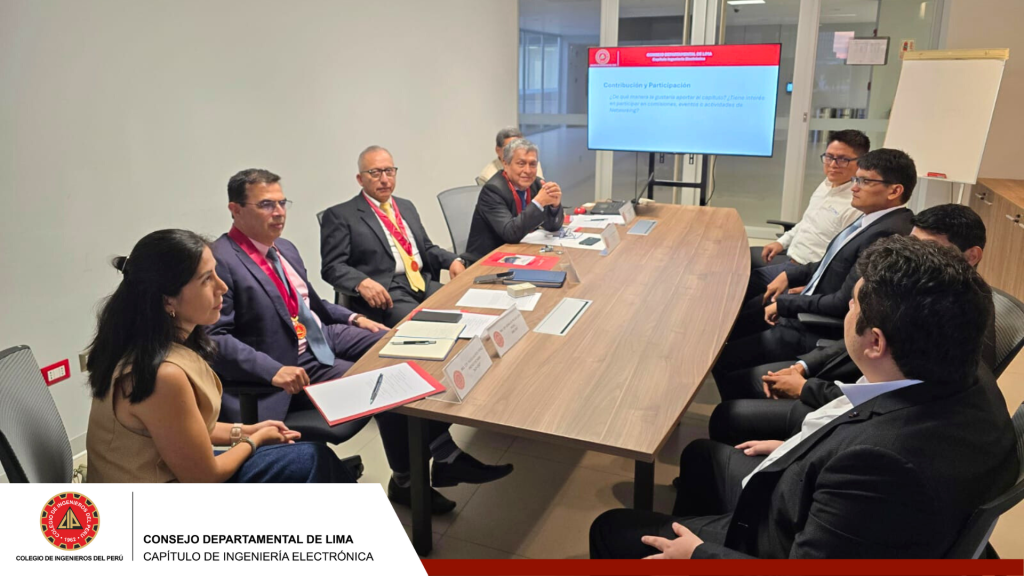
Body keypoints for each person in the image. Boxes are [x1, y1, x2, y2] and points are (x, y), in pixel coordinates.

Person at [591, 235, 1018, 559]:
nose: (847, 312)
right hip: (807, 498)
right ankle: (706, 523)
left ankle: (707, 535)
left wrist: (699, 555)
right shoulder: (966, 369)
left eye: (852, 306)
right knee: (703, 456)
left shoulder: (881, 466)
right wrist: (802, 448)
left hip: (779, 537)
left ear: (875, 342)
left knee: (612, 529)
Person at [209, 168, 511, 513]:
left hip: (323, 336)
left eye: (282, 203)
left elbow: (313, 305)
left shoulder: (284, 249)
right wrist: (273, 370)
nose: (279, 213)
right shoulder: (221, 259)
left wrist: (354, 318)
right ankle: (413, 477)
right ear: (235, 209)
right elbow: (215, 336)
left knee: (411, 347)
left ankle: (440, 456)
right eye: (266, 205)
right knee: (389, 384)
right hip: (287, 362)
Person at [709, 203, 995, 446]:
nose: (914, 254)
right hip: (844, 395)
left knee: (729, 409)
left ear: (971, 256)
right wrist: (803, 367)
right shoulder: (918, 290)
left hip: (855, 416)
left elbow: (894, 398)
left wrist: (806, 389)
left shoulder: (953, 313)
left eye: (928, 247)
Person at [85, 229, 355, 483]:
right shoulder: (163, 374)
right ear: (168, 300)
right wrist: (255, 440)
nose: (222, 287)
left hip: (174, 473)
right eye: (206, 279)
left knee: (312, 458)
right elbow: (205, 477)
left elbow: (184, 430)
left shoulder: (150, 345)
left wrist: (247, 430)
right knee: (313, 459)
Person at [713, 149, 916, 401]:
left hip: (813, 326)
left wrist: (785, 304)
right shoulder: (871, 222)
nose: (854, 187)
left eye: (865, 181)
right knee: (733, 325)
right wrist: (790, 276)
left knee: (724, 358)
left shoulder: (886, 235)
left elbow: (843, 302)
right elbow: (829, 265)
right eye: (856, 179)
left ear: (894, 191)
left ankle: (739, 411)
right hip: (805, 308)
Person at [321, 146, 467, 328]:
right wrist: (361, 282)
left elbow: (426, 248)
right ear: (360, 179)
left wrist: (453, 260)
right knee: (429, 327)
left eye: (389, 171)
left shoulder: (406, 206)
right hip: (387, 292)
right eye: (375, 173)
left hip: (422, 282)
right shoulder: (341, 215)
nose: (384, 179)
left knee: (467, 308)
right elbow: (332, 267)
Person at [748, 130, 868, 299]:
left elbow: (842, 261)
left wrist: (814, 285)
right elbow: (806, 222)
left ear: (860, 162)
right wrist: (781, 242)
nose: (833, 164)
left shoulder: (855, 204)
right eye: (829, 157)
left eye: (843, 159)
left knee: (749, 295)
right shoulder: (826, 184)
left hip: (808, 274)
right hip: (792, 258)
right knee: (743, 274)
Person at [464, 138, 563, 264]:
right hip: (488, 260)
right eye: (521, 164)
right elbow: (511, 233)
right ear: (506, 164)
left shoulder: (536, 184)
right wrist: (538, 202)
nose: (528, 170)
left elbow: (552, 226)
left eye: (532, 164)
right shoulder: (493, 190)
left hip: (521, 253)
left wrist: (555, 205)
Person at [476, 127, 544, 186]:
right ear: (498, 150)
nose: (528, 170)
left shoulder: (532, 162)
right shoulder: (487, 176)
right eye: (509, 147)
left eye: (520, 146)